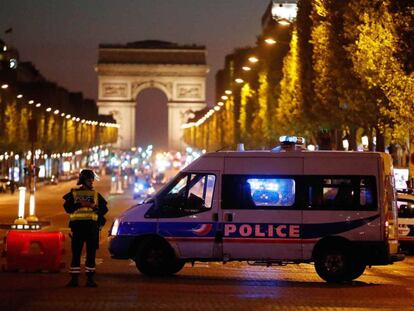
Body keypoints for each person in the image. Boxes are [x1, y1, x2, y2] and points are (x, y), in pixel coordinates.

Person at [63, 169, 108, 288]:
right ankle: (74, 279)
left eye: (92, 180)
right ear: (84, 180)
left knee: (91, 254)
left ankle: (90, 279)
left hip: (91, 228)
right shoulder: (74, 193)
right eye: (90, 180)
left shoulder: (95, 195)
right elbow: (68, 208)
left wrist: (94, 208)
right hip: (78, 228)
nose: (92, 182)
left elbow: (104, 210)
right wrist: (81, 205)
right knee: (76, 254)